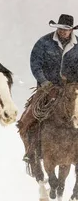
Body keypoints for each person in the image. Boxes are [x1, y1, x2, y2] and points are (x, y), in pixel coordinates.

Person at [17, 14, 78, 173]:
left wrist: (73, 82)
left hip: (72, 89)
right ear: (57, 28)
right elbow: (35, 64)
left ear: (71, 29)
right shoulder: (44, 43)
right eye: (61, 29)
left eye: (66, 29)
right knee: (27, 120)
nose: (63, 32)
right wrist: (44, 81)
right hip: (47, 88)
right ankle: (31, 151)